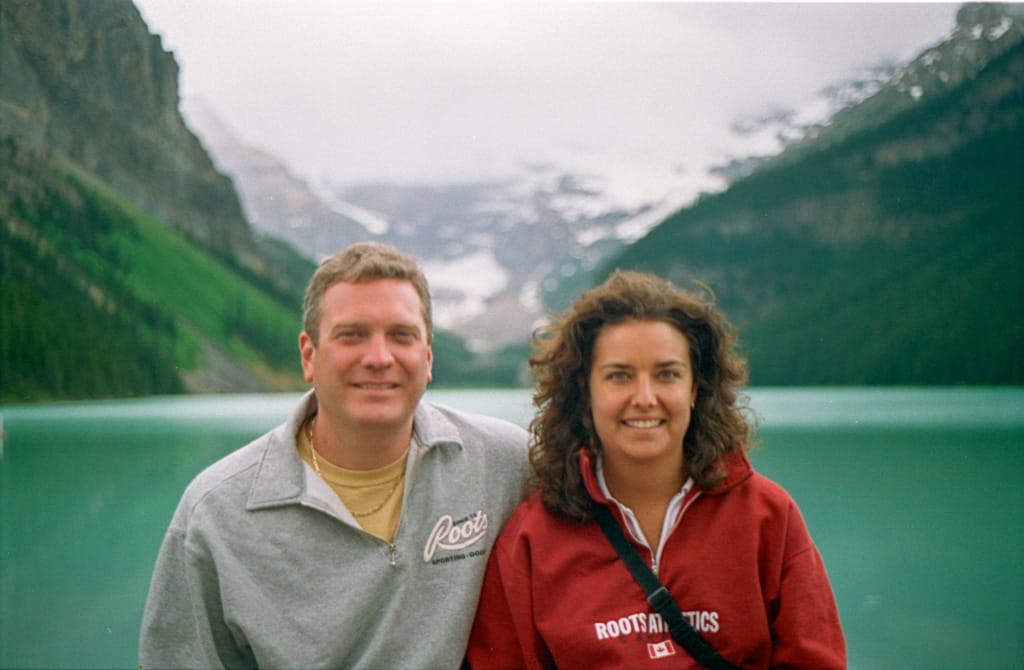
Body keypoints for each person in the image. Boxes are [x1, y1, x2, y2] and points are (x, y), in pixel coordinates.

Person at [139, 242, 530, 668]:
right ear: (309, 356)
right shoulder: (214, 513)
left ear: (428, 357)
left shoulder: (507, 462)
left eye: (401, 335)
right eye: (352, 335)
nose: (379, 358)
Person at [466, 270, 846, 669]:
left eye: (667, 374)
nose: (644, 398)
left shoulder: (768, 518)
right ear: (584, 389)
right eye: (619, 376)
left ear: (695, 387)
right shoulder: (530, 543)